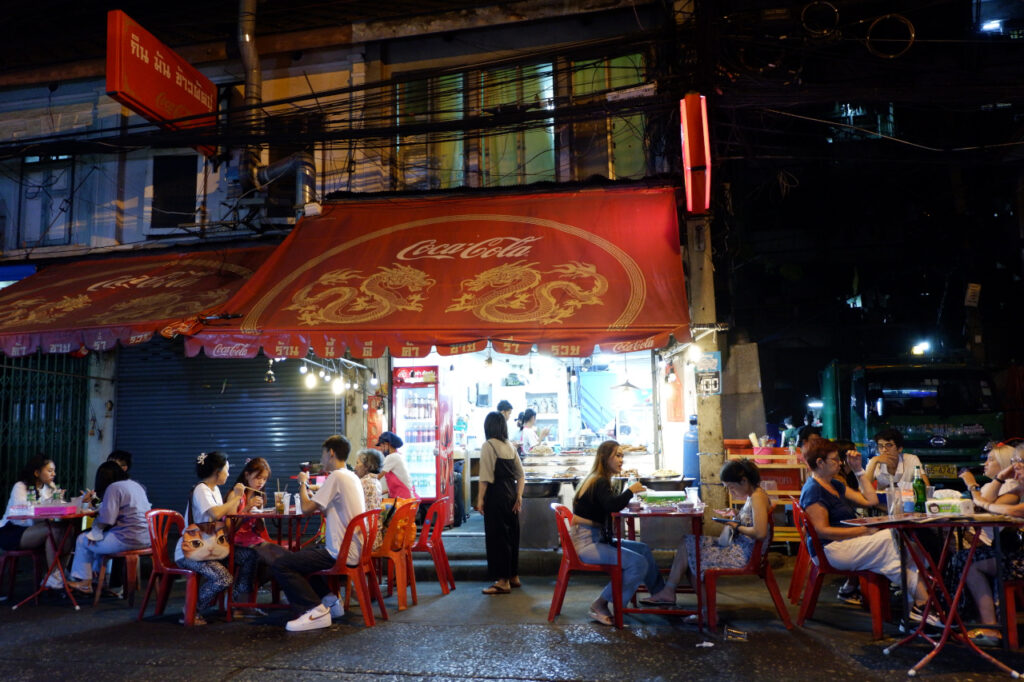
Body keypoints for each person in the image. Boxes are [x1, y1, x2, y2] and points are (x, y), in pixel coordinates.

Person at [799, 438, 937, 626]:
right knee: (893, 539)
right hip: (830, 550)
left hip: (845, 544)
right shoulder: (814, 490)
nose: (840, 463)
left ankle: (922, 605)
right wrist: (864, 531)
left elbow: (870, 501)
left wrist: (858, 470)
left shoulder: (833, 484)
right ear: (819, 463)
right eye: (834, 460)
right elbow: (823, 531)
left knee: (895, 556)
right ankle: (923, 603)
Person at [270, 434, 366, 632]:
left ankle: (314, 611)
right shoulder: (350, 476)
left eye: (322, 454)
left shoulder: (337, 476)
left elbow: (306, 509)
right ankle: (331, 602)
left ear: (331, 453)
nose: (321, 459)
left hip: (340, 552)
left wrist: (303, 483)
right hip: (353, 549)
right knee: (307, 552)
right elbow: (323, 506)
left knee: (281, 564)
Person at [642, 458, 770, 605]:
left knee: (694, 557)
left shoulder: (757, 497)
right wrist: (735, 513)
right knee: (687, 541)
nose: (731, 492)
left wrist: (736, 526)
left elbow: (760, 533)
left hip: (743, 554)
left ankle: (706, 612)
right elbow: (753, 520)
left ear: (744, 481)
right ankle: (669, 592)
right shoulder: (754, 495)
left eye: (731, 488)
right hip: (740, 547)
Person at [570, 440, 665, 625]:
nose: (622, 460)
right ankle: (600, 604)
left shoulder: (598, 478)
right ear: (605, 458)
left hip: (597, 538)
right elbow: (611, 505)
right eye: (618, 456)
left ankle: (660, 595)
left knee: (643, 549)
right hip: (588, 543)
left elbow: (609, 506)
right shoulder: (598, 481)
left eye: (623, 456)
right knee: (637, 563)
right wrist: (630, 491)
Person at [948, 442, 1024, 646]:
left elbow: (1009, 511)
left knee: (969, 562)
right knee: (963, 558)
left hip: (1019, 559)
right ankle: (976, 621)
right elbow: (990, 505)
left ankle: (989, 627)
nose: (1016, 466)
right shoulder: (1019, 487)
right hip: (1015, 553)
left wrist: (977, 494)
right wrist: (999, 478)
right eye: (1015, 461)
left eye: (1021, 462)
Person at [0, 453, 93, 591]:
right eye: (49, 470)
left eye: (54, 470)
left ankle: (57, 575)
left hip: (37, 529)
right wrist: (49, 502)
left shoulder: (48, 489)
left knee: (68, 529)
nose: (53, 474)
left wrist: (81, 501)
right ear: (37, 472)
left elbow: (61, 507)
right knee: (52, 530)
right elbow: (25, 509)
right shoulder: (20, 486)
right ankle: (55, 576)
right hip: (13, 531)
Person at [173, 451, 244, 625]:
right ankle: (191, 611)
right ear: (217, 471)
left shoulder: (215, 490)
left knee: (246, 558)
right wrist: (236, 497)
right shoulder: (201, 489)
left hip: (209, 548)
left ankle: (232, 605)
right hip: (190, 551)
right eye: (226, 470)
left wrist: (236, 498)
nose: (228, 474)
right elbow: (216, 513)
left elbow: (228, 515)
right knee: (223, 578)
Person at [66, 461, 151, 595]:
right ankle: (100, 580)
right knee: (97, 538)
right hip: (147, 538)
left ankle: (84, 582)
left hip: (126, 539)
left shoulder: (114, 487)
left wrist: (95, 527)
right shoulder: (136, 485)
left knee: (83, 539)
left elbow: (107, 519)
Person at [476, 411, 524, 595]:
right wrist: (519, 496)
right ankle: (513, 576)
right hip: (511, 494)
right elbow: (521, 475)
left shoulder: (488, 445)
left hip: (496, 496)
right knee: (512, 535)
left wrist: (480, 499)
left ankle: (502, 581)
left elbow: (485, 477)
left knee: (498, 537)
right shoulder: (510, 446)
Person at [229, 457, 273, 616]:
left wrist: (263, 514)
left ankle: (244, 597)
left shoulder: (259, 497)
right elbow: (230, 526)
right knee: (256, 556)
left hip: (253, 540)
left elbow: (258, 527)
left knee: (279, 557)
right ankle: (241, 602)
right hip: (236, 542)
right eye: (258, 477)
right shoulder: (236, 494)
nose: (261, 482)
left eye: (264, 479)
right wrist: (247, 507)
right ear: (247, 475)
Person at [863, 427, 930, 490]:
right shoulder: (875, 462)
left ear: (900, 449)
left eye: (889, 445)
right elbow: (863, 489)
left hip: (906, 500)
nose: (884, 450)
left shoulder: (911, 459)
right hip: (883, 501)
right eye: (880, 446)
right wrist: (873, 461)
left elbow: (926, 487)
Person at [353, 448, 385, 551]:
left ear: (367, 466)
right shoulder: (376, 481)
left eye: (357, 463)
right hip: (375, 537)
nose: (355, 467)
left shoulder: (362, 482)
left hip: (365, 539)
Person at [375, 431, 414, 499]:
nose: (380, 449)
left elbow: (378, 476)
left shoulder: (391, 457)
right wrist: (383, 492)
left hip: (404, 499)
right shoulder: (397, 456)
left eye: (381, 446)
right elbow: (401, 481)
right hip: (408, 498)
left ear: (387, 444)